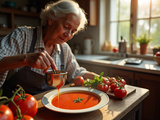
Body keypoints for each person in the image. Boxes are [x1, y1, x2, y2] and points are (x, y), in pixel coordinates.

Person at [0, 0, 99, 97]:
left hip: (49, 106)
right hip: (17, 106)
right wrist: (25, 59)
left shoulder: (64, 49)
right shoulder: (22, 36)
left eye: (73, 31)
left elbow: (76, 73)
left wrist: (99, 78)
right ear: (51, 19)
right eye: (66, 26)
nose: (68, 35)